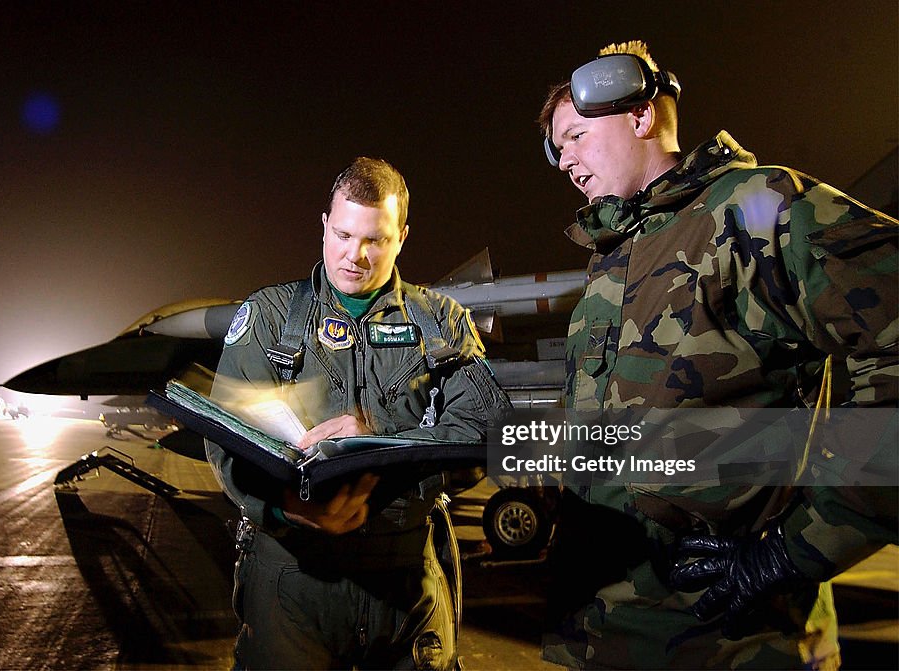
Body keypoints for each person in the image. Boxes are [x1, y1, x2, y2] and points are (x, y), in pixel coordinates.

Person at [536, 41, 897, 669]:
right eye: (556, 148)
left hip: (729, 637)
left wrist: (798, 549)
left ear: (641, 116)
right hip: (600, 628)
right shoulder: (615, 256)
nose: (563, 159)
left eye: (573, 135)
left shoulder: (757, 210)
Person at [206, 156, 511, 670]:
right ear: (325, 224)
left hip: (407, 583)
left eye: (375, 240)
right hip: (293, 579)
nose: (355, 256)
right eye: (343, 235)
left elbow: (490, 428)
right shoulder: (269, 317)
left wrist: (381, 436)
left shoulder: (441, 322)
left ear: (402, 237)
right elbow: (223, 441)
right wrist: (285, 507)